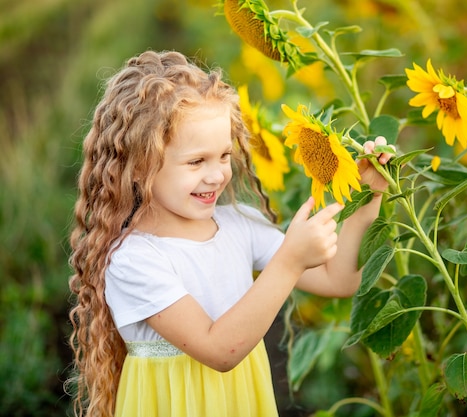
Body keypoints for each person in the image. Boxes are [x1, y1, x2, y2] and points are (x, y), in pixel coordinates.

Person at [67, 50, 394, 417]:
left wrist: (368, 197)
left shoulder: (241, 225)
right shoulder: (135, 259)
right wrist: (289, 261)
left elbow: (339, 279)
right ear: (139, 165)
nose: (216, 175)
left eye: (223, 156)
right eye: (196, 161)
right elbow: (220, 351)